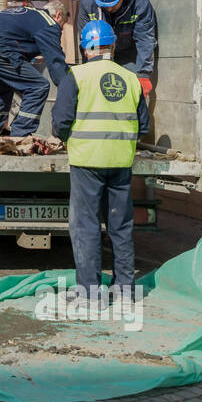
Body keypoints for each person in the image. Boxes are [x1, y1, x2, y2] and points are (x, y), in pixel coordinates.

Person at [52, 19, 150, 300]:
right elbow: (143, 126)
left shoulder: (77, 76)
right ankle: (124, 290)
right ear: (113, 45)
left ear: (85, 48)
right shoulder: (131, 79)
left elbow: (61, 121)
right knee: (120, 226)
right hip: (120, 162)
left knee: (86, 227)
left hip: (87, 161)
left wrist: (67, 136)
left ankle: (90, 294)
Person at [0, 0, 69, 139]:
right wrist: (68, 87)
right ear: (58, 15)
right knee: (38, 86)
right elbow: (56, 62)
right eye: (63, 24)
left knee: (2, 89)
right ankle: (19, 137)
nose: (60, 30)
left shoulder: (28, 14)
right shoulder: (48, 22)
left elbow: (13, 37)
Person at [77, 0, 158, 97]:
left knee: (130, 93)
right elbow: (86, 41)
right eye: (103, 6)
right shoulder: (88, 3)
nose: (108, 9)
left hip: (129, 56)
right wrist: (89, 70)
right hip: (101, 53)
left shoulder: (140, 4)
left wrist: (143, 74)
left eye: (112, 5)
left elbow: (145, 40)